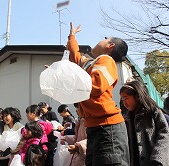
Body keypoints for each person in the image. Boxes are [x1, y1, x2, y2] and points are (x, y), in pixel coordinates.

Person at [68, 22, 130, 165]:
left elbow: (95, 85)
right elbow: (76, 57)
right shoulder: (92, 64)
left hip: (108, 129)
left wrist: (68, 79)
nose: (99, 40)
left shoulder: (107, 60)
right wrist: (72, 36)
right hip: (98, 128)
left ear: (110, 45)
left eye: (105, 38)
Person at [120, 80, 169, 165]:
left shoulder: (153, 113)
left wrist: (158, 159)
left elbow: (164, 135)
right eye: (122, 99)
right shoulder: (126, 118)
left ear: (137, 96)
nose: (124, 103)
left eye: (126, 98)